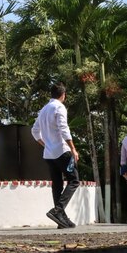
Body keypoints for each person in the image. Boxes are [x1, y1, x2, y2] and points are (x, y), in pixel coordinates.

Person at [31, 83, 80, 228]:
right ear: (63, 95)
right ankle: (58, 210)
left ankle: (61, 219)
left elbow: (34, 131)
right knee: (74, 181)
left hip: (49, 154)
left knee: (57, 185)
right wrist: (73, 148)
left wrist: (46, 145)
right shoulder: (59, 107)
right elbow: (64, 129)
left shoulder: (43, 110)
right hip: (62, 151)